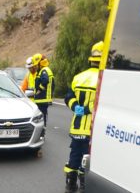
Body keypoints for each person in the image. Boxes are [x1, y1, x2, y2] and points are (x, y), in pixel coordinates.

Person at [63, 41, 103, 193]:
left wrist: (75, 107)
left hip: (76, 126)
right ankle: (83, 187)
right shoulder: (104, 79)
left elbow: (68, 97)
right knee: (86, 159)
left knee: (74, 155)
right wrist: (88, 109)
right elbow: (101, 104)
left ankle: (70, 185)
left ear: (91, 59)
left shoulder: (79, 77)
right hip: (92, 129)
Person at [32, 53, 55, 127]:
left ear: (40, 63)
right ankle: (42, 131)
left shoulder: (44, 70)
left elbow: (45, 81)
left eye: (36, 65)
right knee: (42, 118)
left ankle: (42, 133)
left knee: (41, 119)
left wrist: (39, 90)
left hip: (42, 99)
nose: (35, 67)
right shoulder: (44, 70)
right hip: (42, 100)